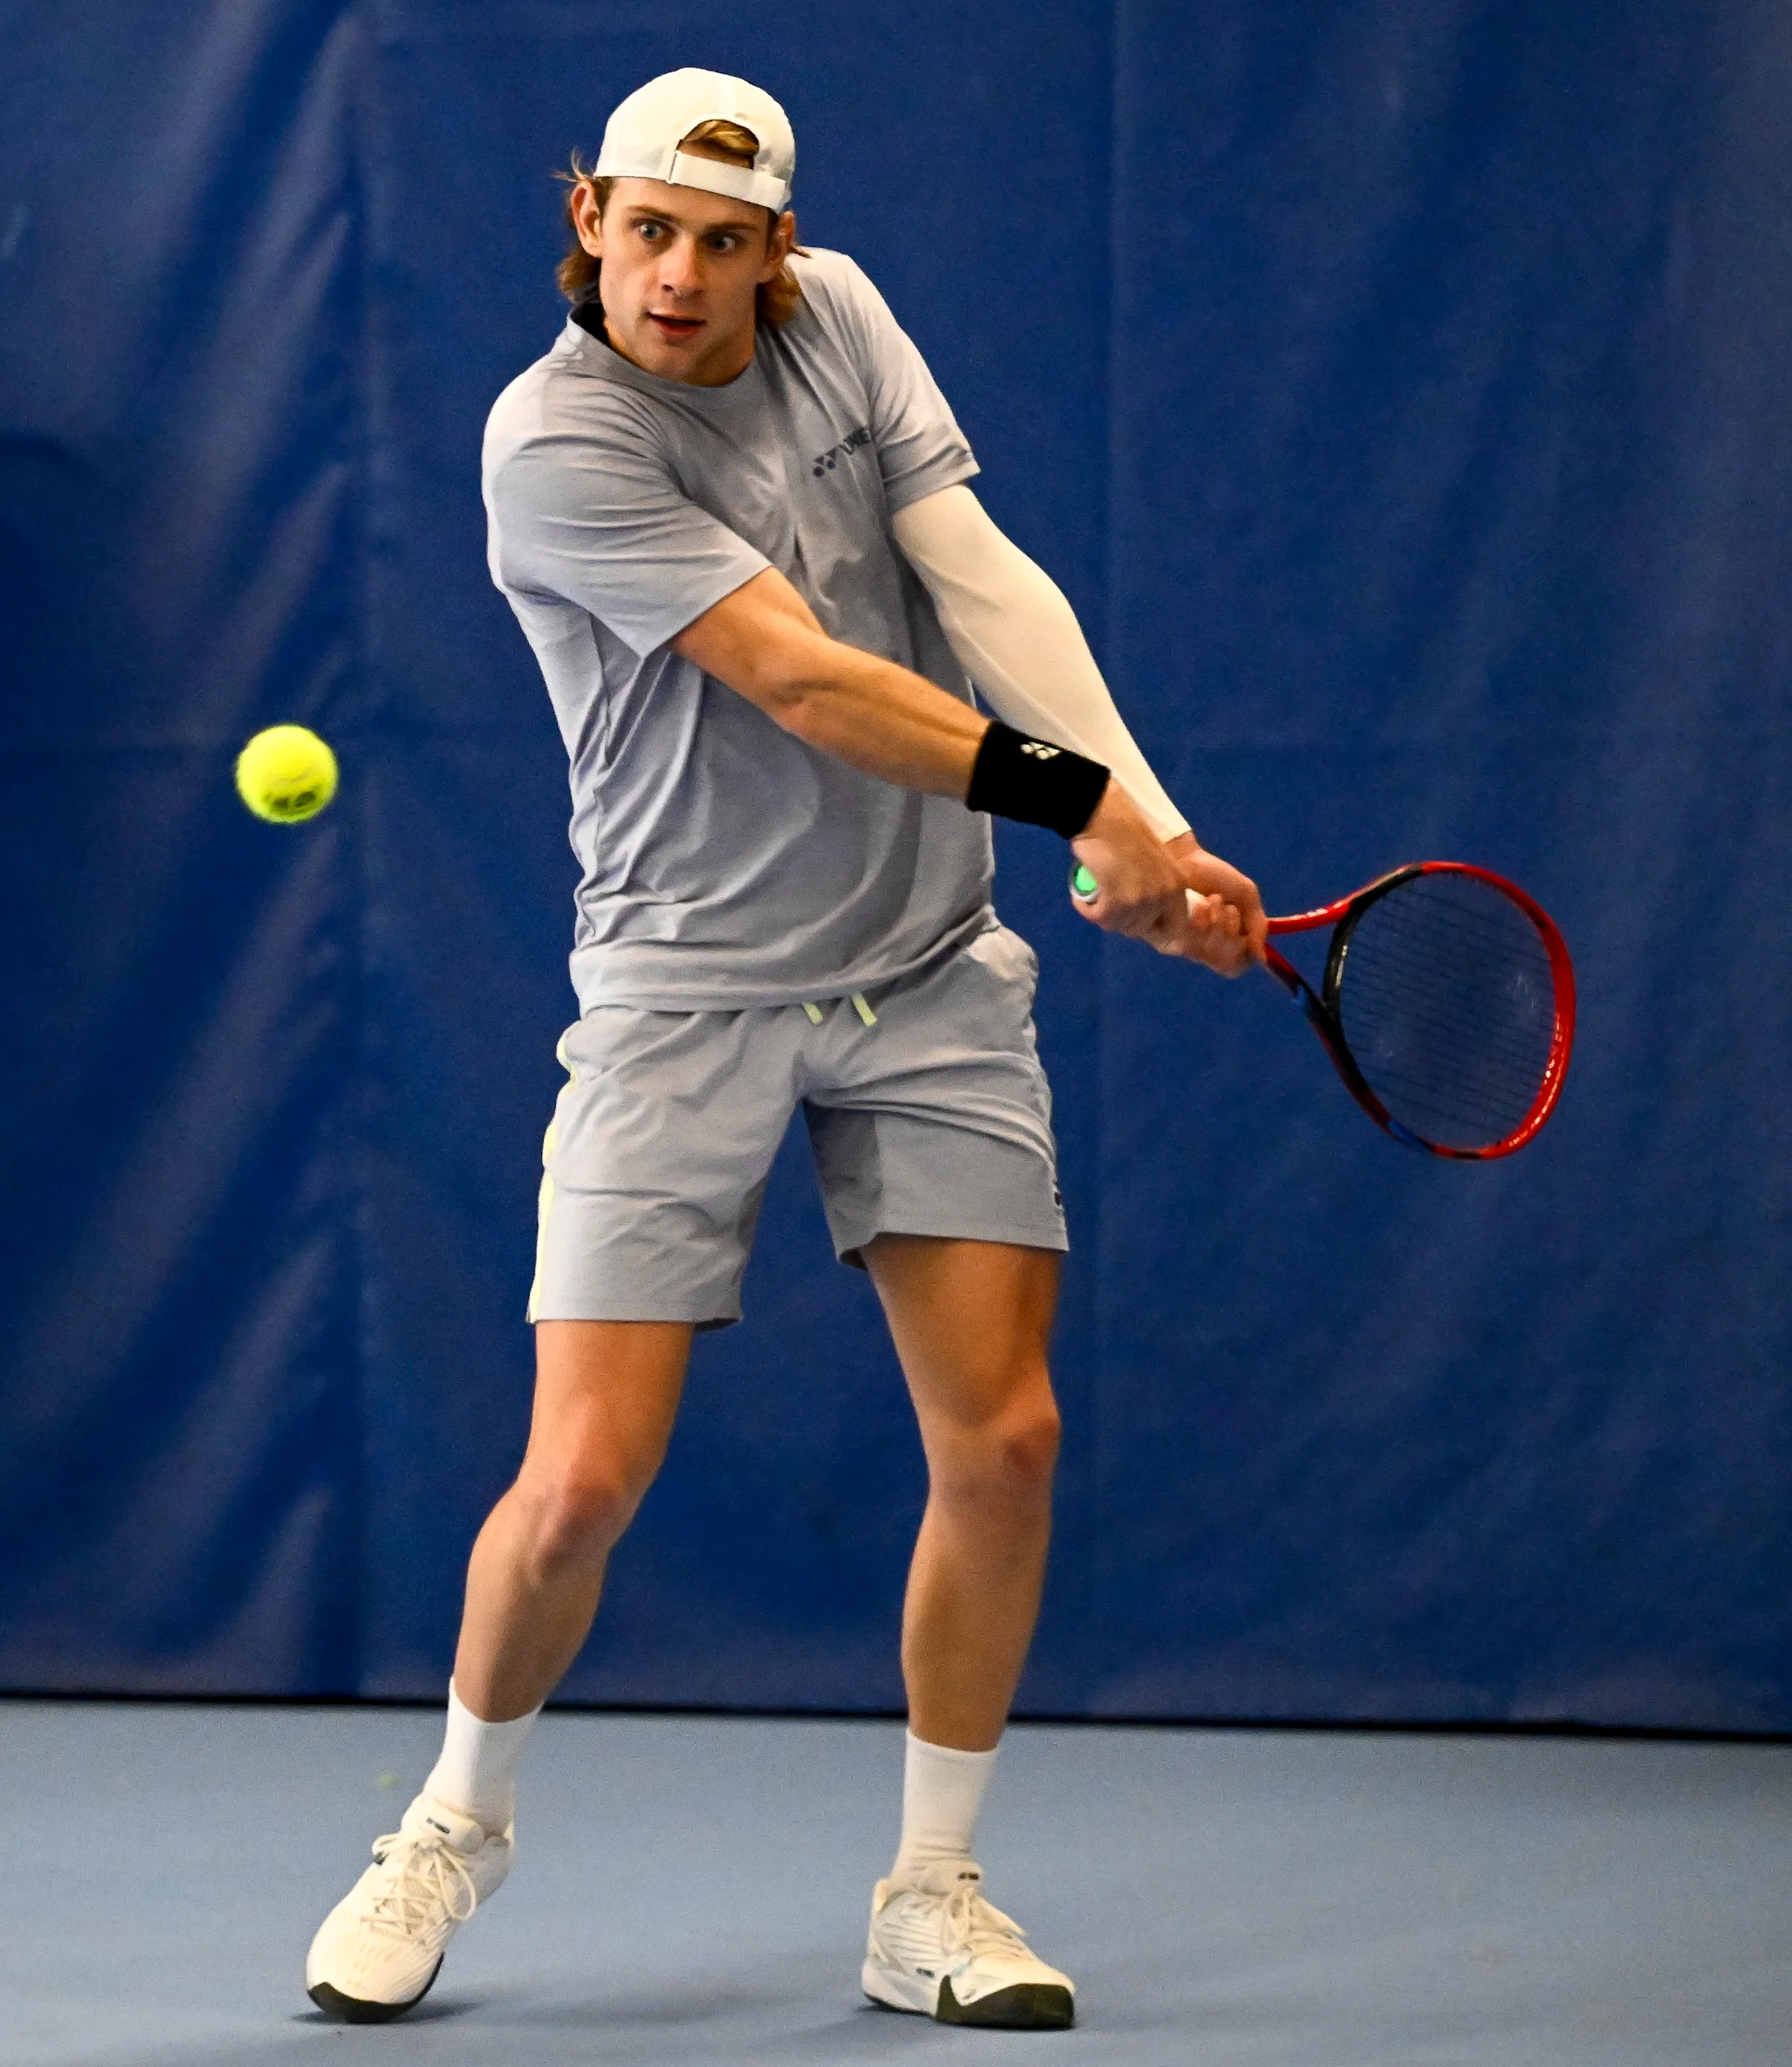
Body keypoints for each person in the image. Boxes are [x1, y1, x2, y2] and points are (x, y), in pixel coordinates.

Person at [303, 71, 1265, 2028]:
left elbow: (985, 579)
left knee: (1006, 1437)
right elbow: (807, 680)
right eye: (647, 228)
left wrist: (1149, 829)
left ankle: (933, 1887)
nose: (679, 274)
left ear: (779, 255)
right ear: (587, 214)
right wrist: (1081, 803)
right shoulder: (549, 440)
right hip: (679, 982)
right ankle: (452, 1819)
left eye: (724, 242)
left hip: (921, 965)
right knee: (579, 1477)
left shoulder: (845, 324)